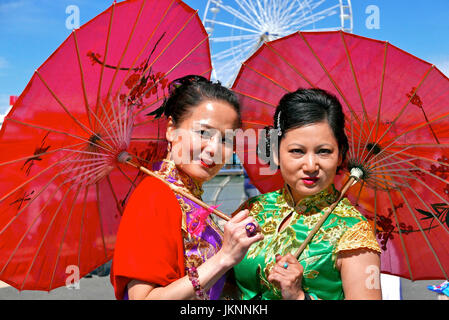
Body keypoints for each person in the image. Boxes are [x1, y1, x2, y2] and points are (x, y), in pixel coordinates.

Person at [110, 75, 263, 300]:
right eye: (203, 133)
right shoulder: (155, 194)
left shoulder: (187, 197)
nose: (213, 149)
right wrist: (224, 257)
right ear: (171, 129)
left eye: (226, 140)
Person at [232, 88, 382, 300]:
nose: (311, 165)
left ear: (340, 155)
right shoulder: (251, 210)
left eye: (324, 151)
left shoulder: (353, 231)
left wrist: (299, 297)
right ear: (275, 151)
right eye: (297, 151)